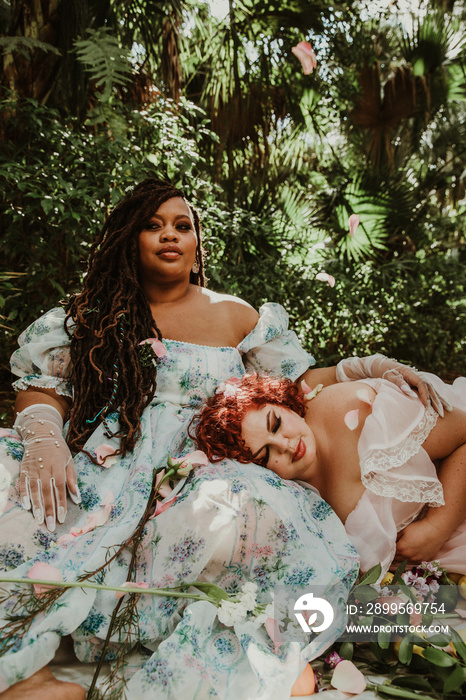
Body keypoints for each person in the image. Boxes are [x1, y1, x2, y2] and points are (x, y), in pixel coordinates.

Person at [0, 178, 447, 700]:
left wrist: (369, 365)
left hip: (199, 472)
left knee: (244, 516)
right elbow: (42, 388)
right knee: (23, 500)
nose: (170, 235)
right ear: (129, 241)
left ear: (196, 245)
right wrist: (45, 442)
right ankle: (29, 675)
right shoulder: (88, 317)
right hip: (102, 465)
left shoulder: (233, 314)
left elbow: (297, 385)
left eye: (182, 226)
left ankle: (250, 655)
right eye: (153, 225)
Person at [193, 372, 466, 578]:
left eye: (276, 424)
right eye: (266, 456)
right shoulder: (288, 502)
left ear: (282, 403)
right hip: (416, 578)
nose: (286, 445)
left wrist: (437, 527)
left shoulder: (357, 412)